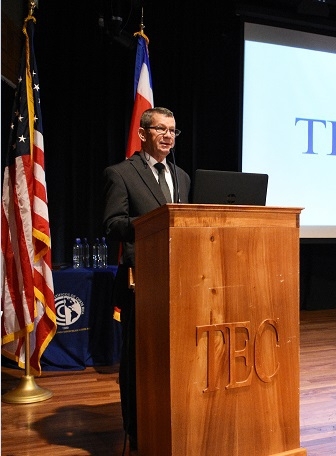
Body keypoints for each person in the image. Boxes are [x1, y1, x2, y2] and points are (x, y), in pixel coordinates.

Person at [102, 107, 191, 450]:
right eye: (161, 130)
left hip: (178, 278)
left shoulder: (182, 176)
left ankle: (171, 418)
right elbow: (112, 223)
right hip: (141, 280)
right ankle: (135, 427)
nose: (168, 136)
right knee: (138, 357)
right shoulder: (120, 173)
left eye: (173, 130)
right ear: (143, 134)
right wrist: (151, 224)